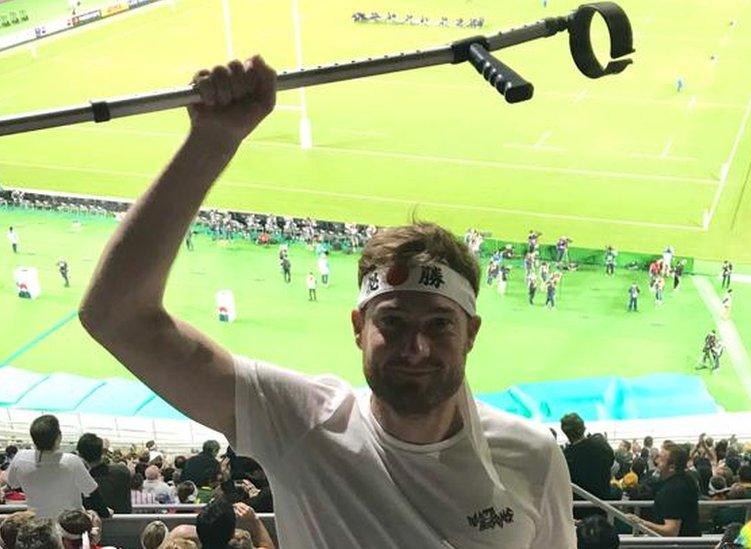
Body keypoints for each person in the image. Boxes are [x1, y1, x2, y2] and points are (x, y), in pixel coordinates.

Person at [78, 56, 574, 546]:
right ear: (359, 326)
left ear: (472, 333)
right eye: (393, 323)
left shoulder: (530, 454)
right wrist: (212, 140)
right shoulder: (299, 421)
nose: (416, 347)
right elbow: (116, 315)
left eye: (440, 324)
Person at [5, 415, 112, 519]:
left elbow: (13, 484)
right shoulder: (72, 462)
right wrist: (106, 513)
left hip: (37, 526)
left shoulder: (20, 458)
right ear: (59, 437)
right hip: (69, 528)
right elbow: (92, 494)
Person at [624, 442, 701, 536]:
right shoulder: (687, 480)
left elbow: (671, 531)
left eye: (661, 461)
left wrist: (640, 522)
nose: (656, 463)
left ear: (672, 467)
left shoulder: (673, 490)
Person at [560, 413, 613, 520]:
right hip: (601, 505)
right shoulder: (601, 447)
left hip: (578, 510)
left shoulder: (565, 457)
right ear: (583, 428)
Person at [76, 433, 133, 514]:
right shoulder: (122, 471)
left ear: (79, 454)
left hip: (89, 524)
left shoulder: (79, 479)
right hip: (124, 523)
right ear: (102, 452)